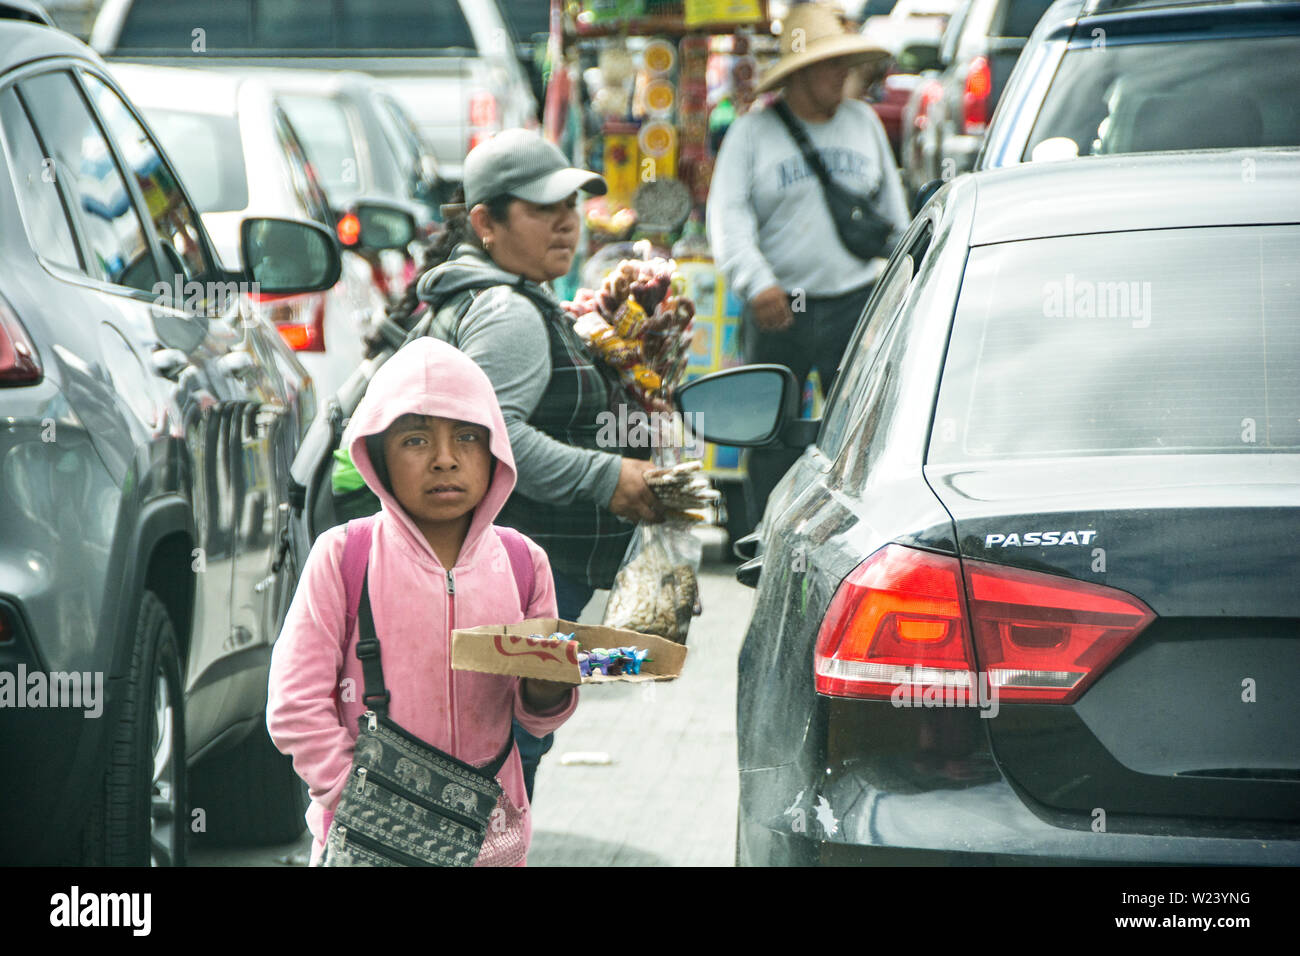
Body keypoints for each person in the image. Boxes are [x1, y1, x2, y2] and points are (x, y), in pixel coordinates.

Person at [413, 128, 665, 800]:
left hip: (501, 578)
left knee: (484, 750)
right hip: (516, 582)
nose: (566, 223)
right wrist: (611, 477)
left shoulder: (496, 296)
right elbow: (492, 442)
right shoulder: (507, 312)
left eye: (571, 207)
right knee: (503, 760)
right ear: (485, 223)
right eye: (541, 208)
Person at [266, 337, 578, 867]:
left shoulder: (525, 563)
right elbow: (295, 707)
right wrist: (354, 797)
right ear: (378, 455)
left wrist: (549, 686)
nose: (444, 460)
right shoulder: (344, 556)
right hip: (367, 841)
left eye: (466, 438)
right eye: (415, 440)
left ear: (496, 449)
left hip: (491, 849)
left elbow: (538, 719)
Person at [707, 2, 909, 524]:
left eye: (845, 64)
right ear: (798, 73)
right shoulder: (752, 134)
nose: (842, 74)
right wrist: (757, 283)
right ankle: (762, 538)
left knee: (860, 429)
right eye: (830, 64)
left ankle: (854, 533)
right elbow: (728, 216)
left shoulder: (863, 123)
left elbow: (893, 213)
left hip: (856, 304)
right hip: (780, 307)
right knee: (771, 432)